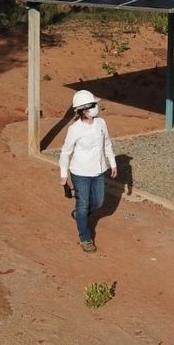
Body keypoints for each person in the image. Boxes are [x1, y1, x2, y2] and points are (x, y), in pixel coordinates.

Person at [59, 89, 118, 253]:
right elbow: (65, 152)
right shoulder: (75, 129)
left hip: (99, 170)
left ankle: (79, 215)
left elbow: (107, 143)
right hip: (80, 173)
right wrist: (63, 175)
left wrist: (112, 163)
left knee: (98, 202)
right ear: (83, 110)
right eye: (92, 105)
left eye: (95, 105)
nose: (95, 108)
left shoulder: (101, 123)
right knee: (83, 204)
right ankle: (85, 238)